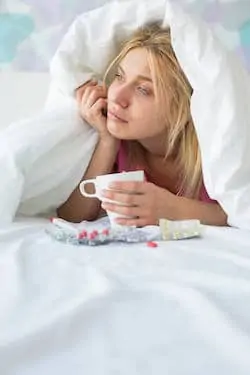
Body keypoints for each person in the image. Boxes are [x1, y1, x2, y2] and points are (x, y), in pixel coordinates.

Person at [57, 23, 227, 227]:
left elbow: (239, 213)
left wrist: (172, 209)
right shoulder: (122, 146)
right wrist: (107, 141)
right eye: (119, 76)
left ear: (183, 107)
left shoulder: (214, 152)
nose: (117, 96)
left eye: (143, 90)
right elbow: (71, 217)